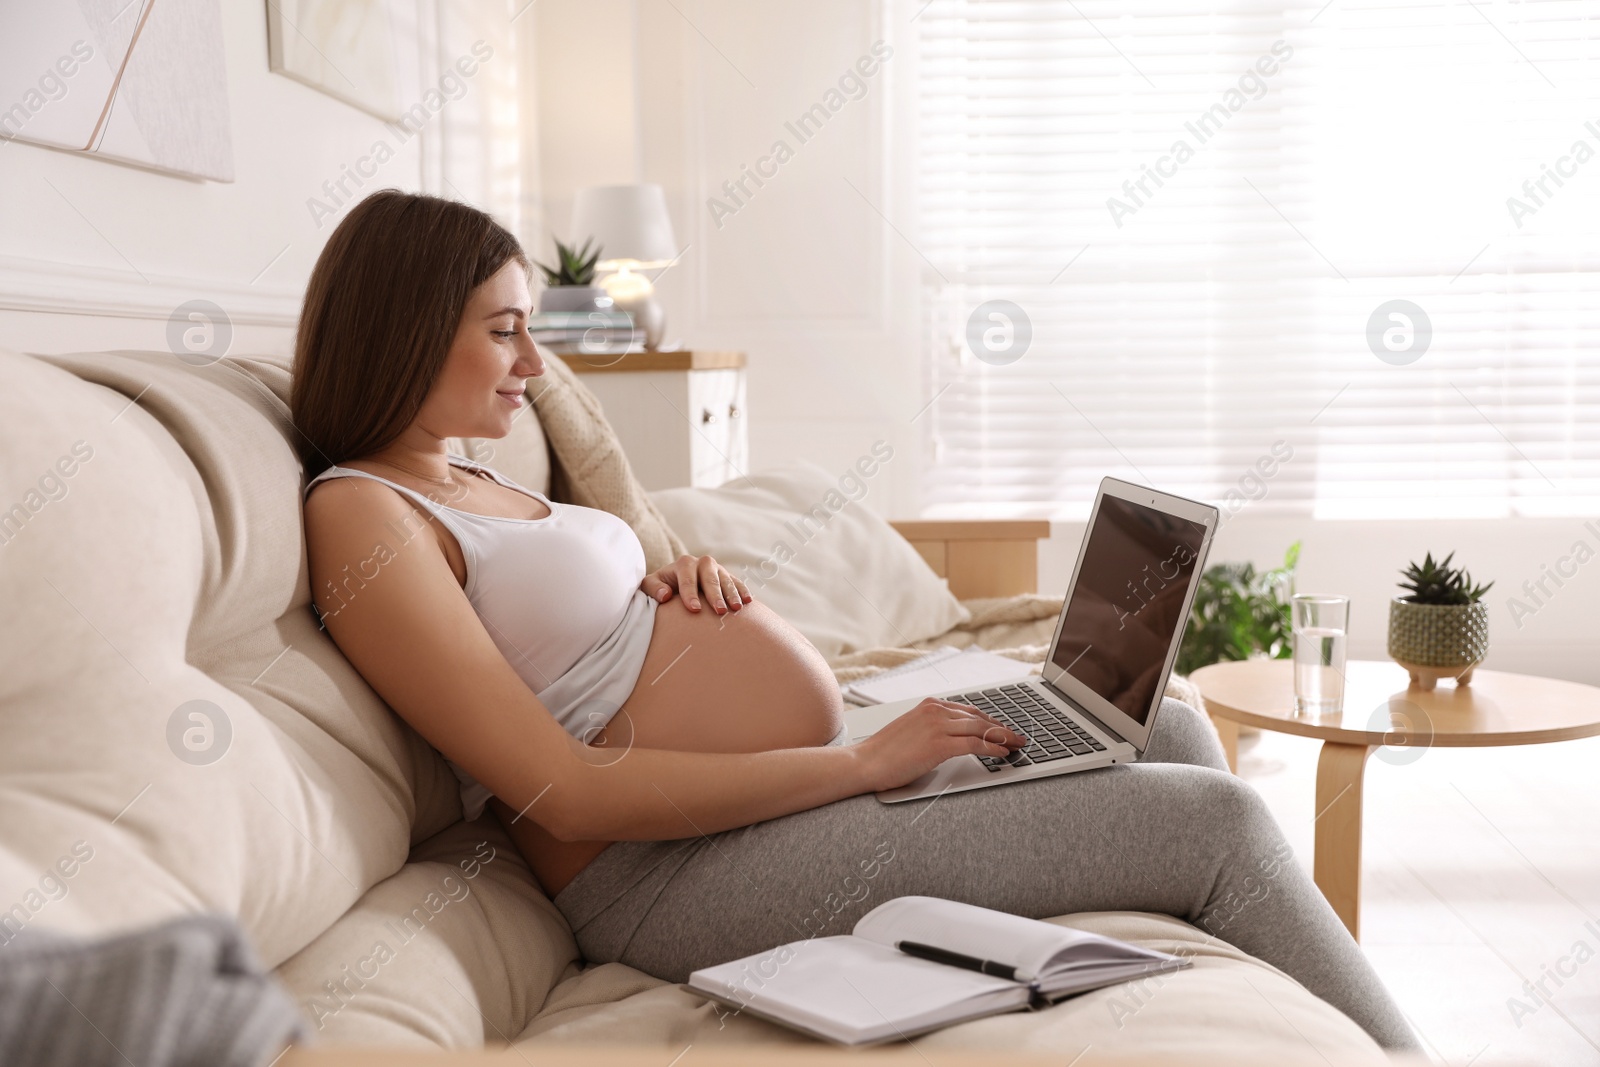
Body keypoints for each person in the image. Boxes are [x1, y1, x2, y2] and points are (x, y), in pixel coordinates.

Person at [294, 190, 1419, 1052]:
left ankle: (1254, 1012)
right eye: (504, 333)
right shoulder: (362, 514)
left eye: (529, 329)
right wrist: (864, 760)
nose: (534, 366)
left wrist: (679, 577)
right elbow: (569, 786)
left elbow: (579, 630)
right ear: (403, 332)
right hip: (662, 872)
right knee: (1213, 821)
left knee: (1164, 731)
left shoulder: (471, 470)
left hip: (781, 784)